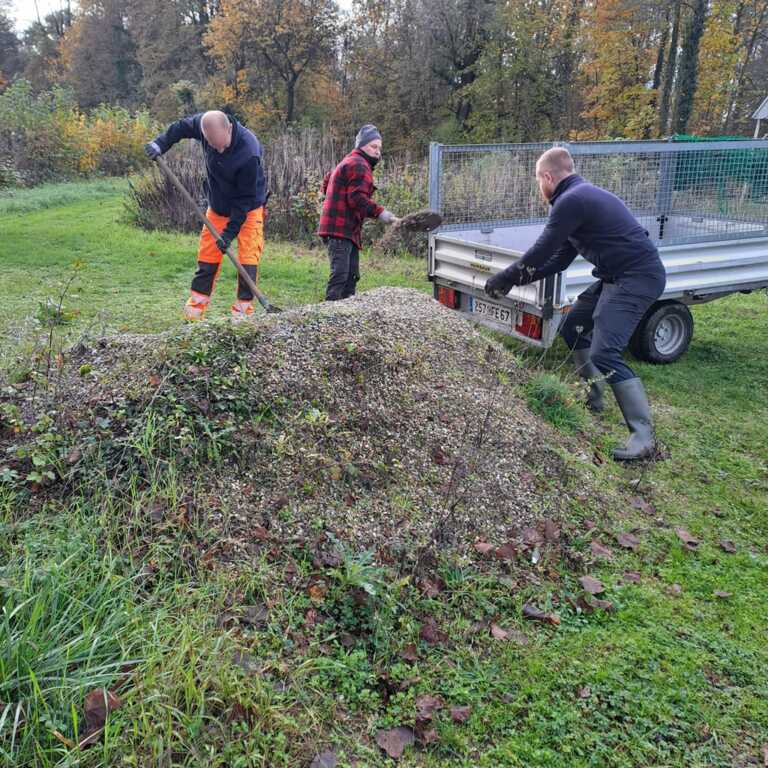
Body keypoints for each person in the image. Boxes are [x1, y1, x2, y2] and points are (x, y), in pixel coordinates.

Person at [485, 147, 666, 461]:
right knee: (573, 328)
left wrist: (506, 276)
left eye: (538, 181)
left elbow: (541, 251)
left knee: (605, 352)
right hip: (615, 276)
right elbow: (558, 260)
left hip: (636, 278)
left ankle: (644, 438)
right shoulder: (579, 199)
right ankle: (594, 398)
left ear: (547, 177)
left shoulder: (572, 200)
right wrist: (516, 281)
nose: (539, 188)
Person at [145, 110, 267, 320]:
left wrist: (229, 234)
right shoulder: (205, 125)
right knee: (207, 258)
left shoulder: (249, 153)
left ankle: (242, 315)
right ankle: (194, 312)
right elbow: (180, 127)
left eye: (221, 144)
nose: (218, 149)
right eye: (212, 144)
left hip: (248, 209)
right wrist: (160, 144)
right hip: (218, 206)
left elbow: (244, 200)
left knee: (248, 260)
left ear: (229, 128)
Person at [318, 124, 399, 300]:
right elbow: (357, 199)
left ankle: (346, 309)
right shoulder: (360, 164)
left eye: (379, 148)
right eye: (373, 146)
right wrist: (381, 213)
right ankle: (329, 310)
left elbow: (327, 181)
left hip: (342, 229)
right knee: (341, 275)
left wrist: (333, 196)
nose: (377, 152)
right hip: (340, 229)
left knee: (351, 275)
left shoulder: (349, 160)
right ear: (362, 145)